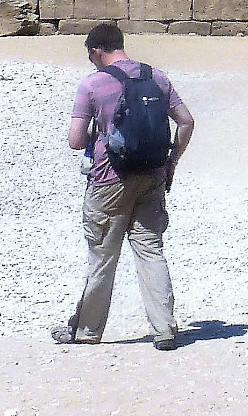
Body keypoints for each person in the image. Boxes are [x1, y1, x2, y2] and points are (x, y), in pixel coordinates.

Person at [54, 22, 195, 349]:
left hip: (108, 179)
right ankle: (165, 329)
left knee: (103, 256)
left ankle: (87, 331)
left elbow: (75, 140)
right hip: (153, 175)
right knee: (150, 251)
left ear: (96, 51)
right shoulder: (157, 78)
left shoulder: (92, 84)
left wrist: (96, 137)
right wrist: (172, 162)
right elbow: (186, 121)